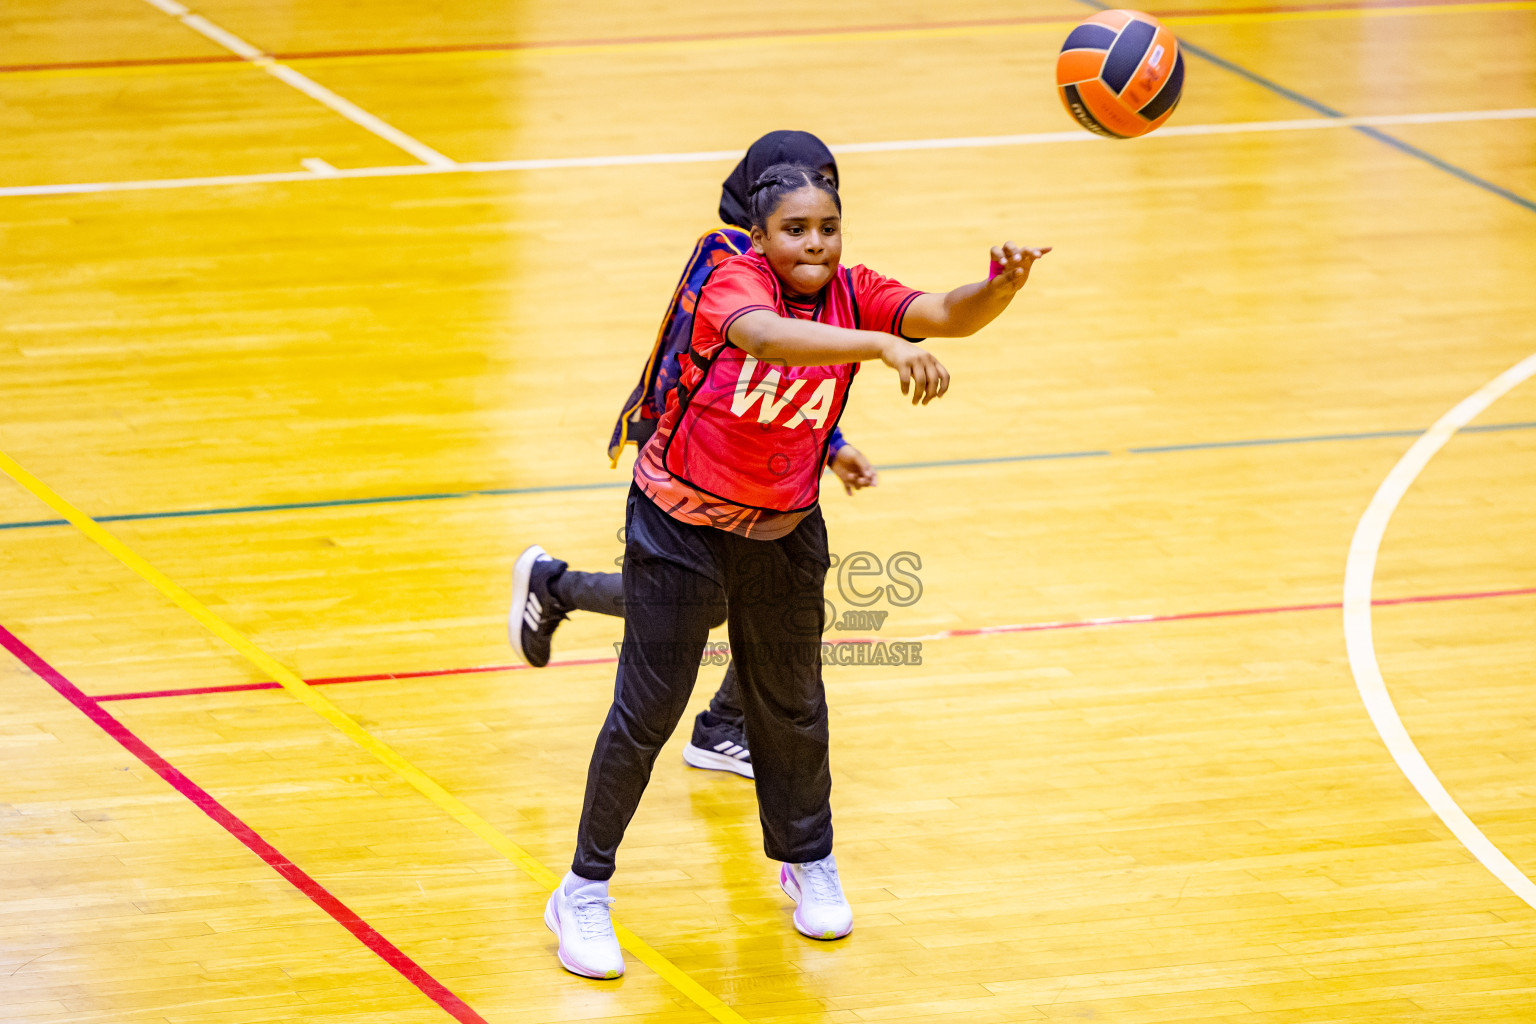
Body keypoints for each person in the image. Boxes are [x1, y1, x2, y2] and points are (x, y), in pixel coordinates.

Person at [543, 162, 1049, 978]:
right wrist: (884, 346)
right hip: (680, 526)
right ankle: (583, 889)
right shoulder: (729, 279)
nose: (814, 243)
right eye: (795, 230)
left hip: (782, 531)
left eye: (827, 228)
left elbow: (949, 315)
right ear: (762, 234)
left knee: (792, 708)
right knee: (646, 714)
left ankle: (806, 859)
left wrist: (1000, 289)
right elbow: (766, 337)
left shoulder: (857, 292)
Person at [508, 132, 877, 781]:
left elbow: (790, 381)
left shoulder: (784, 266)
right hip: (685, 456)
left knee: (751, 596)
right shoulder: (730, 258)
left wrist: (834, 446)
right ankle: (564, 592)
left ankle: (715, 719)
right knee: (718, 601)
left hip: (743, 456)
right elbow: (744, 363)